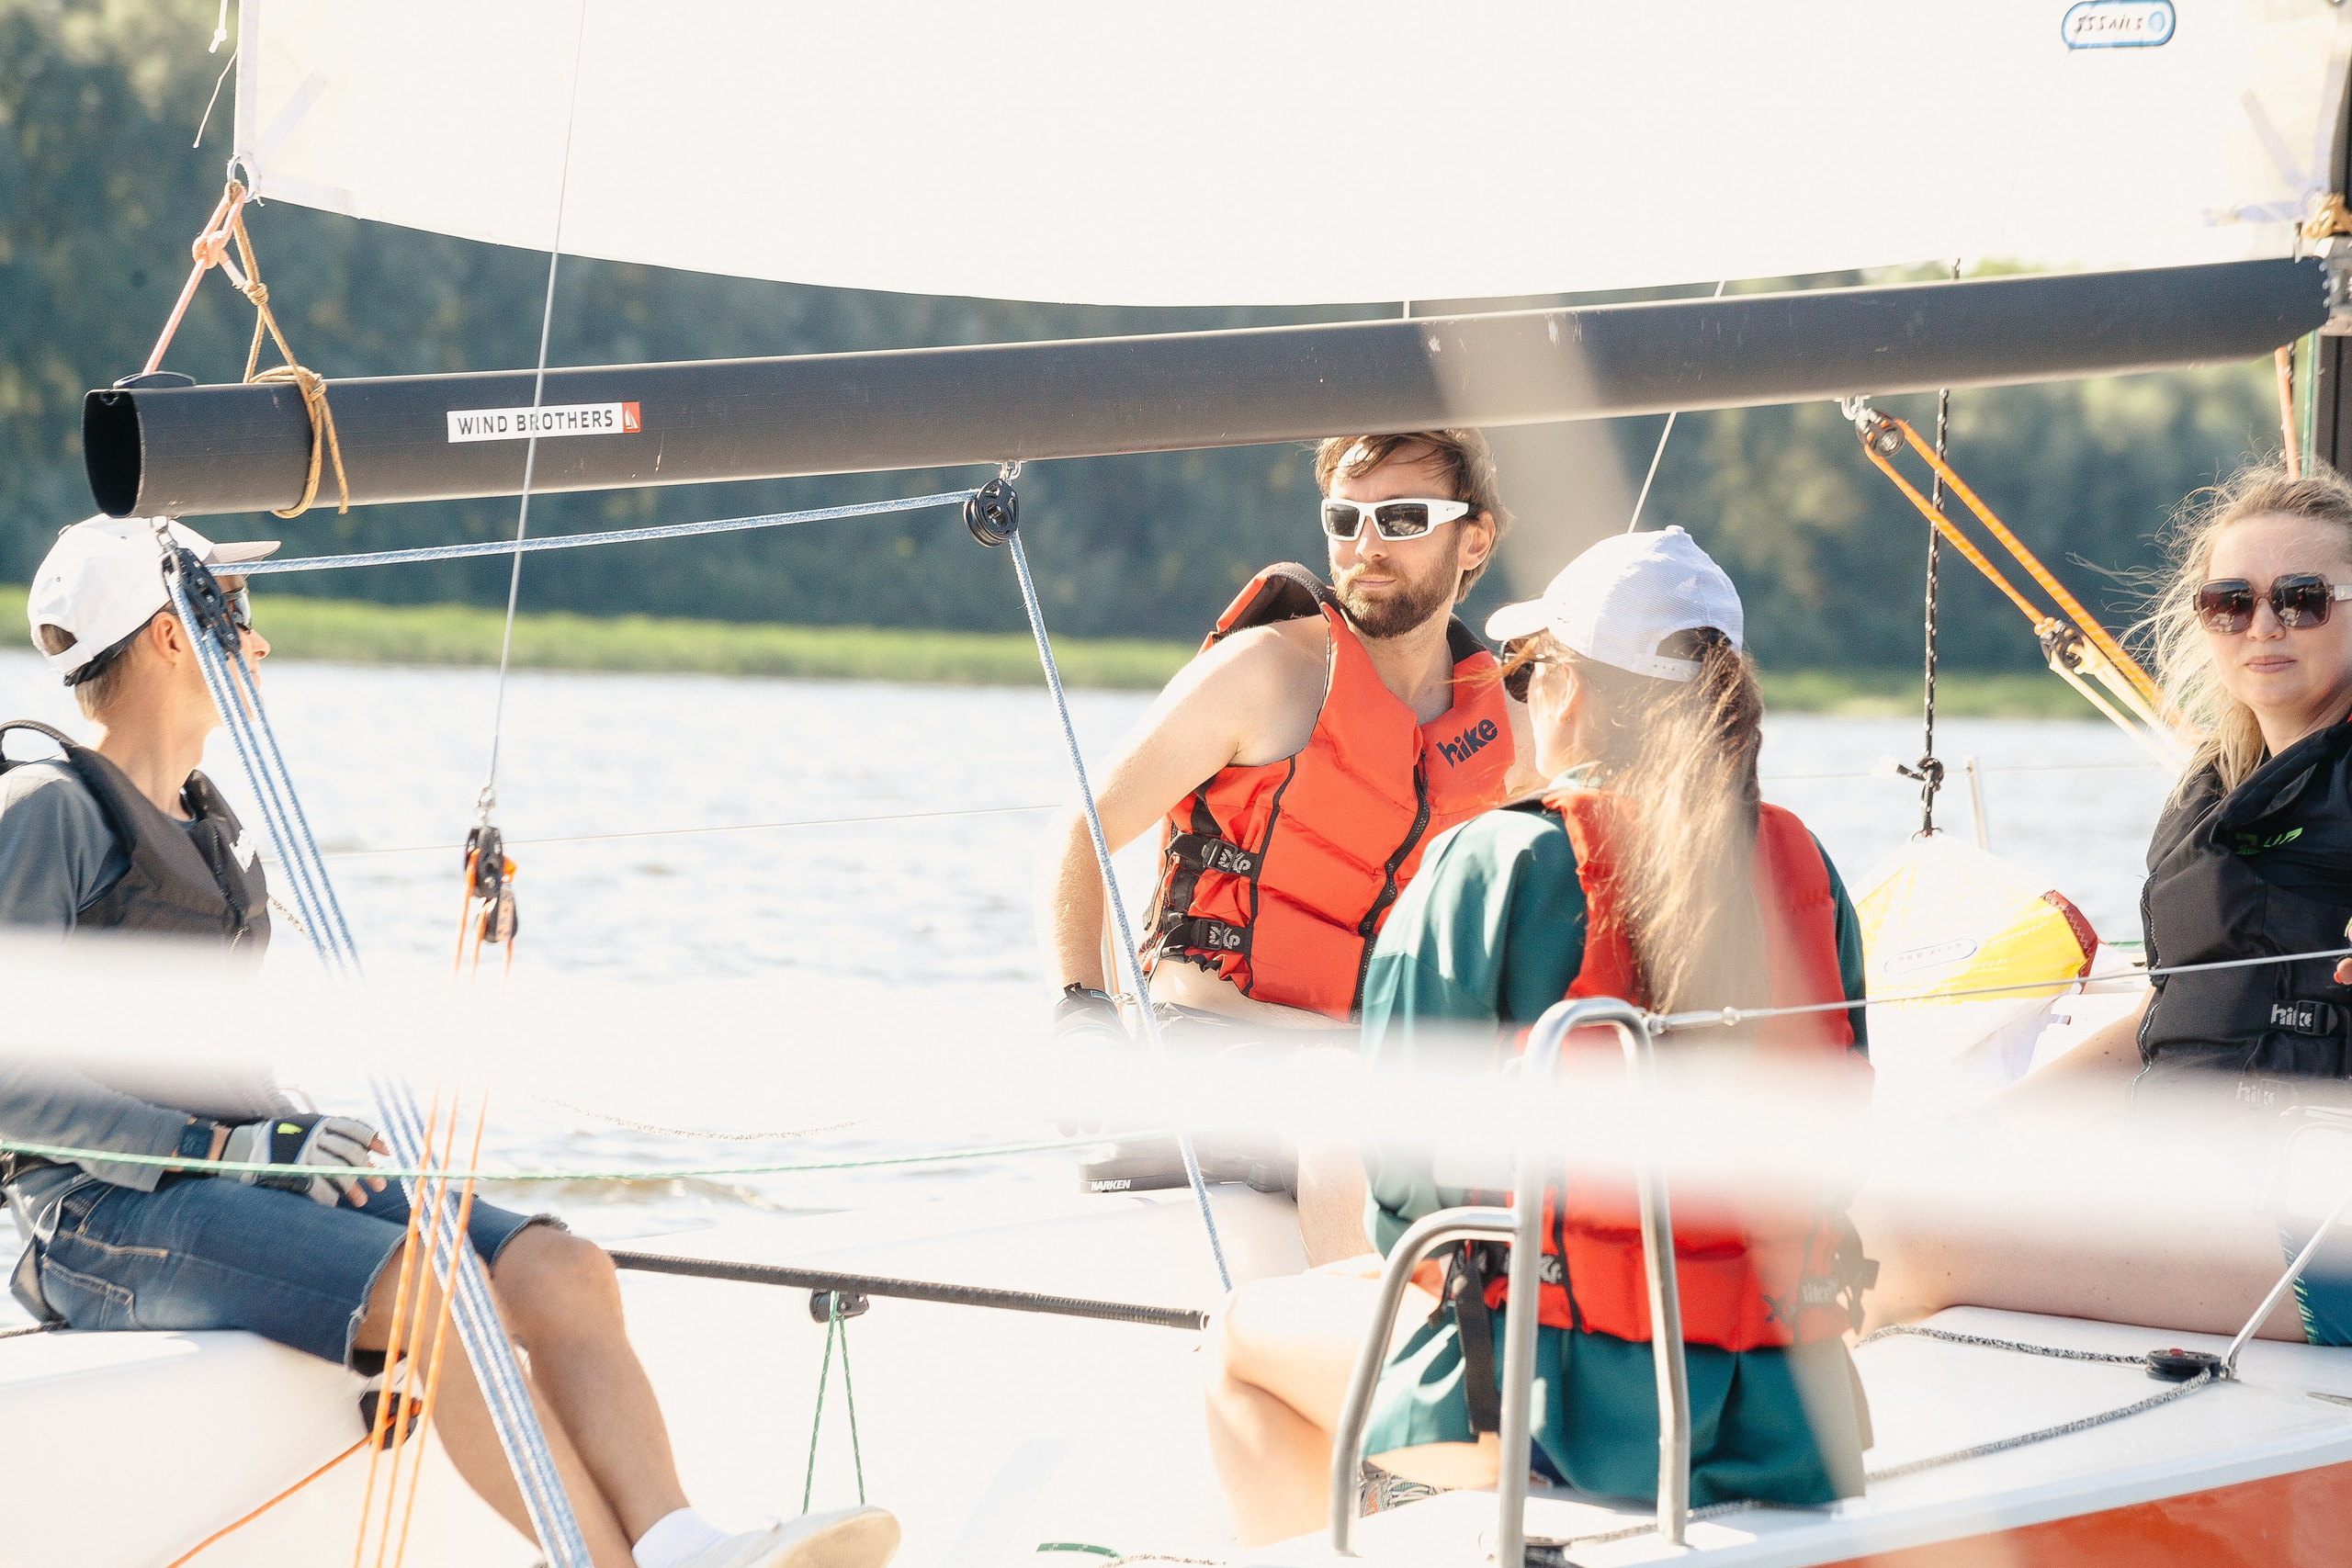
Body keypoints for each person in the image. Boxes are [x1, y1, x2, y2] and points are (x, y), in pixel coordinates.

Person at [0, 516, 900, 1568]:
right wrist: (224, 1152)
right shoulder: (47, 810)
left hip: (229, 1183)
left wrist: (286, 1137)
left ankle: (682, 1545)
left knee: (565, 1270)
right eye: (231, 611)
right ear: (165, 637)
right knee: (440, 1292)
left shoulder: (209, 827)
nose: (257, 640)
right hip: (98, 1220)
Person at [1201, 528, 1874, 1547]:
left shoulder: (1496, 861)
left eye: (1527, 668)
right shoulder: (1809, 875)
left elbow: (1402, 1175)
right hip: (1775, 1415)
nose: (1517, 695)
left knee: (1237, 1343)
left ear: (1568, 690)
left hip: (1543, 1412)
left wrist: (1409, 1268)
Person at [1860, 462, 2352, 1347]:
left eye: (2305, 598)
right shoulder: (2216, 796)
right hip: (2208, 1178)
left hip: (2323, 1228)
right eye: (2231, 601)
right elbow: (2178, 1014)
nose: (2264, 624)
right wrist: (1974, 1128)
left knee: (1897, 1242)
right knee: (1859, 1202)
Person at [1033, 432, 1544, 1254]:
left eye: (1403, 518)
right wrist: (1082, 1013)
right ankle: (1345, 1363)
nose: (1366, 546)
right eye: (1345, 518)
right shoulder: (1265, 673)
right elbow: (1080, 833)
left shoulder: (1510, 731)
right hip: (1210, 1044)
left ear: (1474, 538)